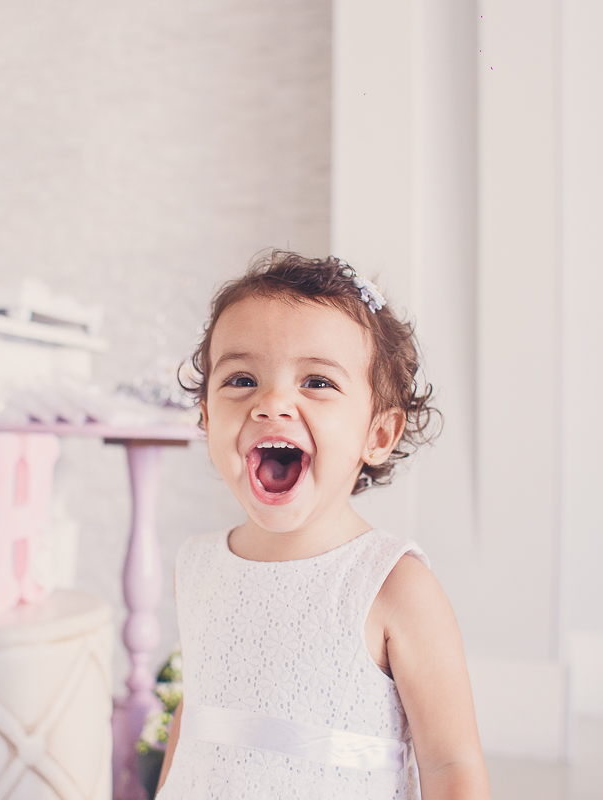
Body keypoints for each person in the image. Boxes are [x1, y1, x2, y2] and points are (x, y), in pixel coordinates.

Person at [156, 252, 490, 799]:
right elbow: (196, 720)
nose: (271, 403)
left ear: (377, 435)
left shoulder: (393, 587)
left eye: (316, 381)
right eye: (242, 378)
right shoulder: (196, 565)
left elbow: (452, 764)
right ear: (208, 417)